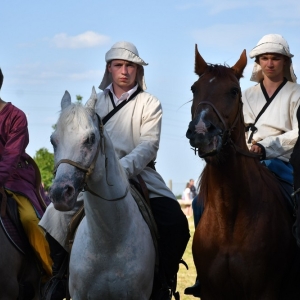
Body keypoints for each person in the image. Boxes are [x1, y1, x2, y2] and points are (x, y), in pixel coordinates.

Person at [39, 41, 190, 300]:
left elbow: (148, 145)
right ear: (109, 68)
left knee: (176, 223)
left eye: (130, 65)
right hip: (93, 175)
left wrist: (120, 170)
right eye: (118, 65)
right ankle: (60, 277)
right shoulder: (94, 104)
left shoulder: (149, 103)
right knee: (52, 217)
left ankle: (162, 282)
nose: (124, 70)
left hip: (139, 173)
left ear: (138, 70)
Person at [185, 33, 300, 297]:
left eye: (276, 58)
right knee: (200, 202)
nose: (270, 64)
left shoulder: (297, 93)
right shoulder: (244, 94)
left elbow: (298, 133)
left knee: (295, 197)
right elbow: (234, 126)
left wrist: (266, 147)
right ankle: (205, 271)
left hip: (285, 158)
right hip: (245, 155)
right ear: (258, 63)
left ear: (285, 62)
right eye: (264, 59)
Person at [0, 68, 52, 281]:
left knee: (30, 220)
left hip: (14, 178)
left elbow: (11, 155)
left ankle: (52, 275)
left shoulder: (16, 117)